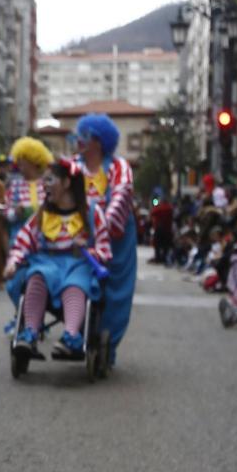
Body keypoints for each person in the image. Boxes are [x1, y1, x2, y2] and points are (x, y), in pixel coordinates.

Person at [6, 159, 112, 359]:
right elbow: (22, 241)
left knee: (76, 285)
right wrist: (13, 262)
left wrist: (89, 251)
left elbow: (105, 250)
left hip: (78, 264)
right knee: (36, 276)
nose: (44, 185)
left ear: (66, 183)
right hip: (46, 262)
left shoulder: (91, 213)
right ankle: (29, 333)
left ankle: (71, 336)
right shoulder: (42, 214)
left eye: (50, 179)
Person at [72, 113, 136, 365]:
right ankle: (75, 329)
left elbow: (121, 196)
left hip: (116, 238)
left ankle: (108, 343)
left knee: (115, 290)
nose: (78, 141)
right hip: (77, 234)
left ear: (98, 142)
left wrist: (100, 227)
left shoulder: (119, 168)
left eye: (84, 136)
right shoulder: (72, 166)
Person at [6, 137, 53, 245]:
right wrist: (15, 213)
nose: (18, 163)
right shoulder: (14, 186)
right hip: (19, 240)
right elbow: (7, 213)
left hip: (43, 241)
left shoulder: (47, 185)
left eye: (22, 159)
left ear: (33, 161)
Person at [149, 193, 174, 266]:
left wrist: (155, 206)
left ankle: (158, 258)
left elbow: (152, 213)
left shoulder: (159, 207)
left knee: (157, 245)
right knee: (166, 245)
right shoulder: (170, 208)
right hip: (167, 229)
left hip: (159, 229)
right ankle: (164, 257)